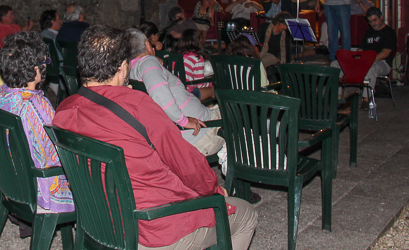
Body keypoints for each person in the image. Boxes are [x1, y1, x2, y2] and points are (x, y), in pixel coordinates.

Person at [53, 25, 257, 250]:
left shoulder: (64, 110)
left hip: (100, 222)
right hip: (151, 227)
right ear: (122, 67)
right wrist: (215, 191)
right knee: (246, 214)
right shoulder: (137, 105)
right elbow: (185, 162)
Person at [0, 31, 74, 212]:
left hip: (10, 178)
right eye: (44, 63)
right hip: (39, 186)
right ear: (35, 70)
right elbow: (55, 152)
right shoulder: (35, 105)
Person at [127, 28, 224, 160]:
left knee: (223, 110)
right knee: (240, 118)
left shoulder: (129, 72)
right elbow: (159, 94)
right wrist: (184, 121)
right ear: (147, 45)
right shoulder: (148, 62)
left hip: (189, 131)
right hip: (200, 134)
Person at [331, 7, 397, 100]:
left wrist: (367, 61)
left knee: (371, 68)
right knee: (335, 64)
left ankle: (366, 99)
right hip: (364, 61)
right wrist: (354, 61)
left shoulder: (389, 32)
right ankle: (337, 97)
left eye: (375, 20)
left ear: (381, 17)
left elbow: (385, 53)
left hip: (382, 62)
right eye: (370, 22)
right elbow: (360, 50)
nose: (373, 24)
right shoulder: (369, 32)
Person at [173, 28, 213, 99]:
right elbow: (200, 84)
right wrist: (210, 83)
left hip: (174, 91)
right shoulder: (197, 58)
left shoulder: (175, 56)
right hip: (188, 93)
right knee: (212, 90)